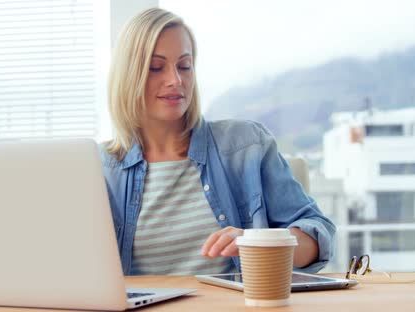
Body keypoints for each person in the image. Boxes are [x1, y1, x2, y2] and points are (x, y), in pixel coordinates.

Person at [100, 7, 336, 276]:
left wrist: (256, 243)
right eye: (156, 67)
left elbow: (319, 234)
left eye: (184, 66)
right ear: (128, 76)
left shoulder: (247, 146)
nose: (175, 80)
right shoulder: (98, 169)